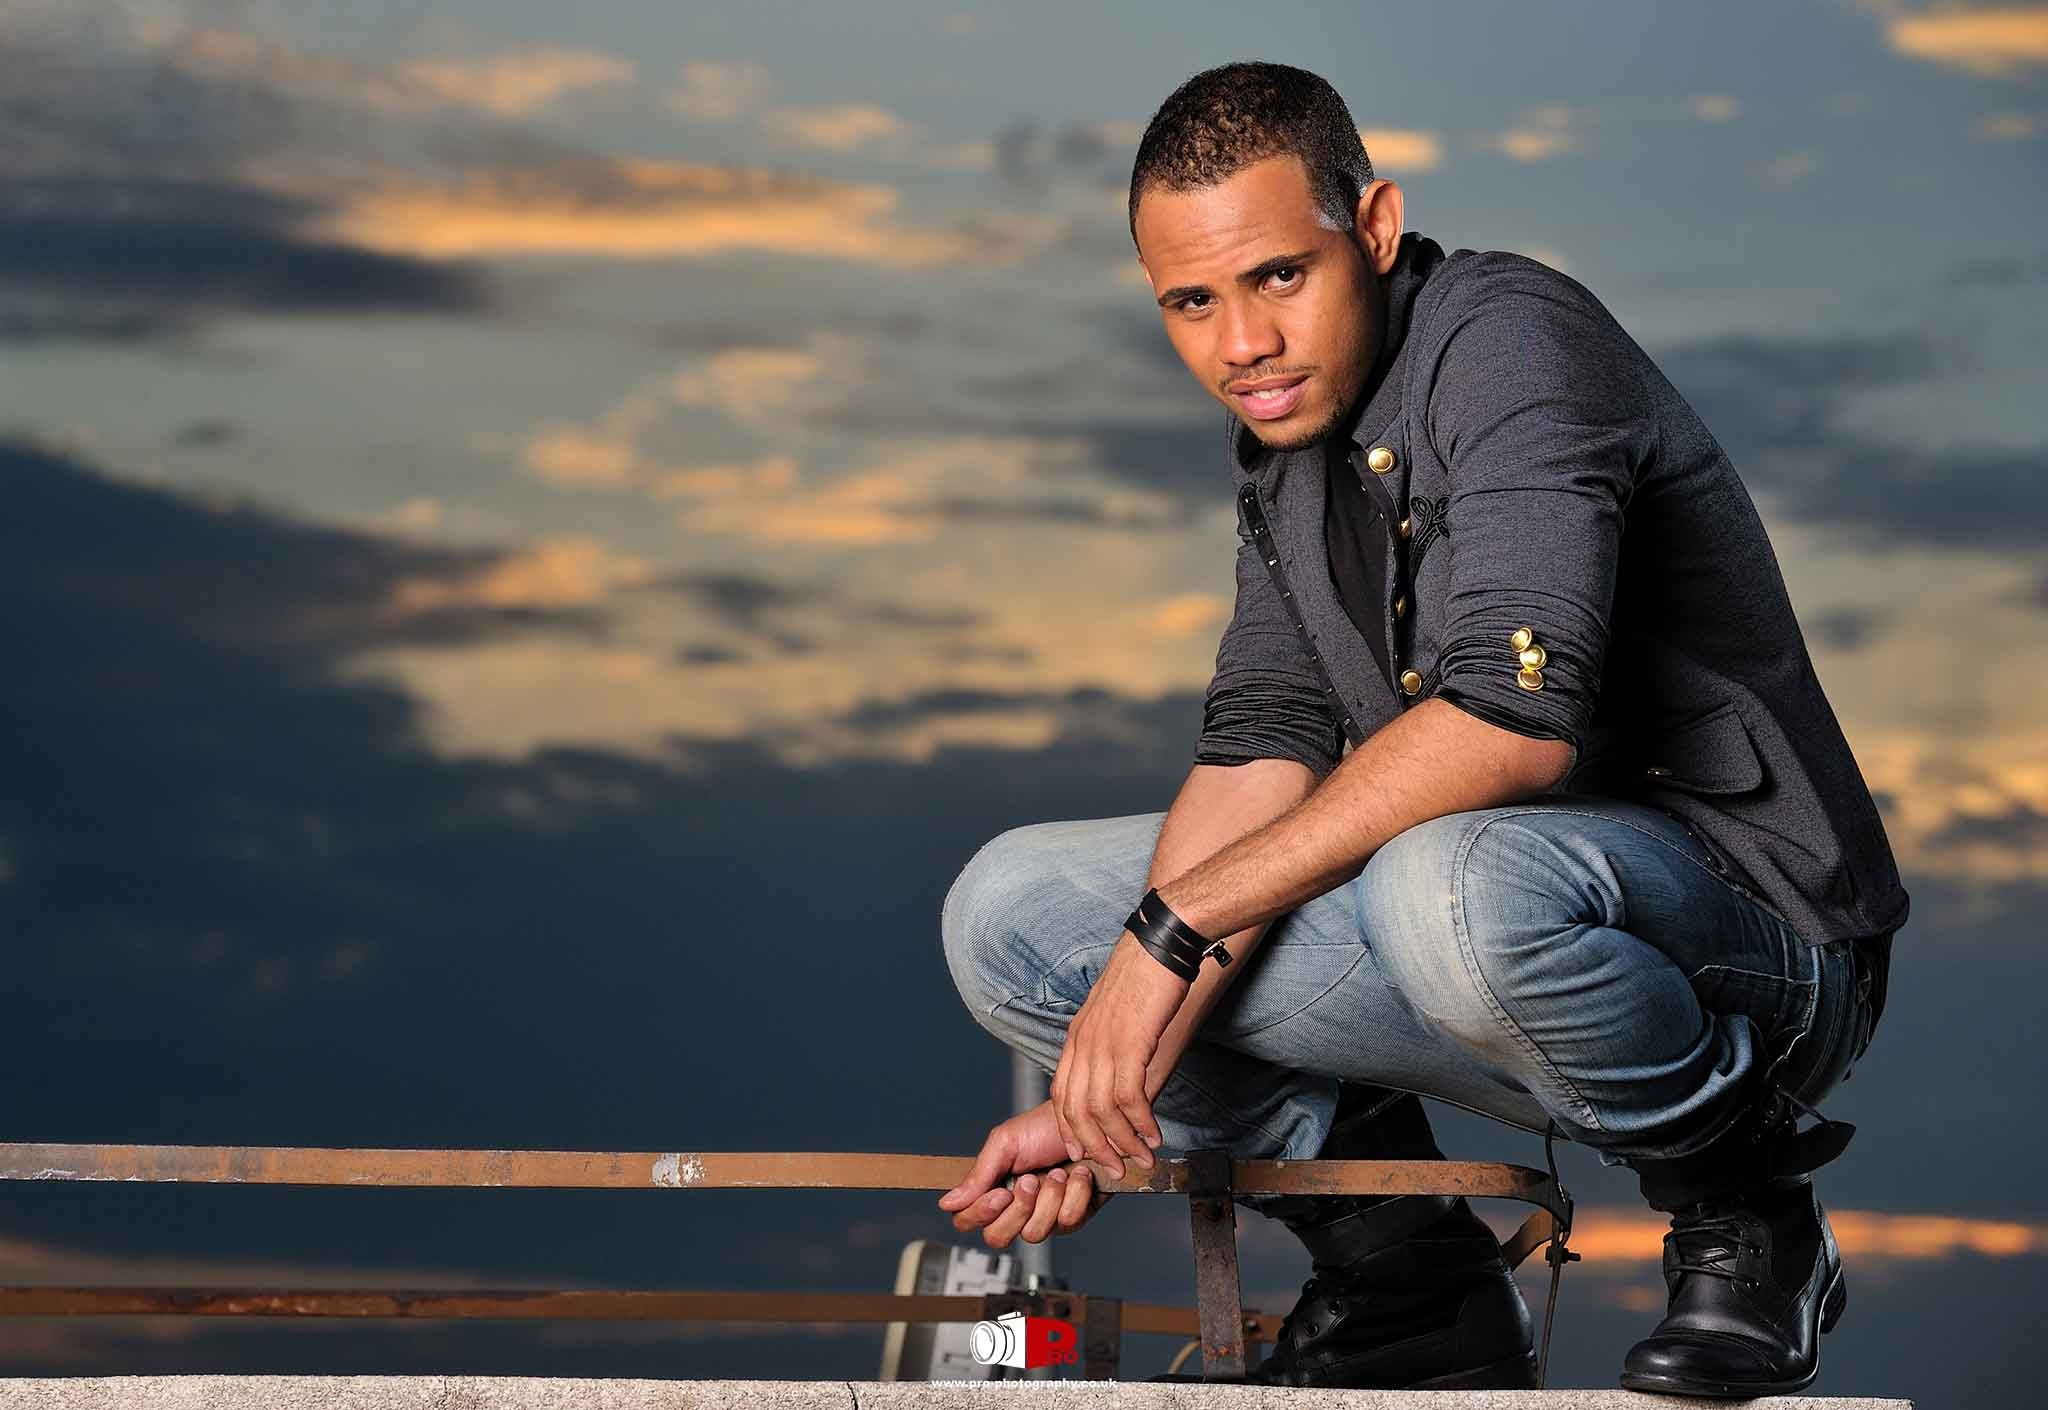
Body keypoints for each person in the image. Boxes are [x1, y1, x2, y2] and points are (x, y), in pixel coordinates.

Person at [937, 60, 1906, 1396]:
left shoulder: (1512, 342)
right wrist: (1115, 1065)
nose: (1242, 344)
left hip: (1746, 936)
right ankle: (1407, 1282)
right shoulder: (1287, 448)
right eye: (1192, 301)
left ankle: (1751, 1208)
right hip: (1469, 931)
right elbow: (1260, 752)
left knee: (1438, 880)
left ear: (1376, 227)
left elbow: (1512, 730)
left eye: (1279, 274)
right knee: (1015, 911)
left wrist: (1172, 934)